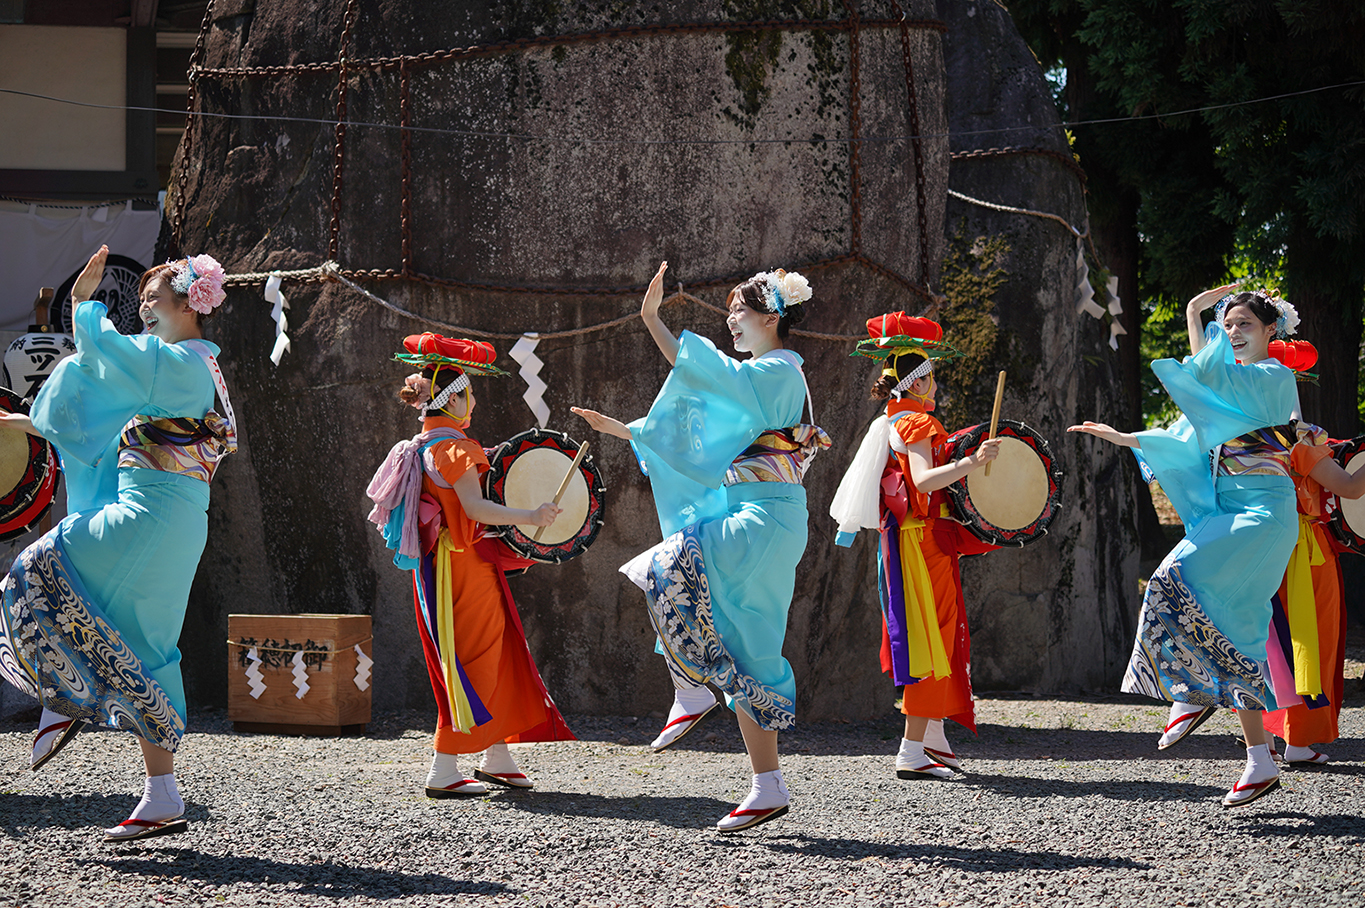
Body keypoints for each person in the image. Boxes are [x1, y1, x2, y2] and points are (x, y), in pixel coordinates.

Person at [572, 262, 829, 832]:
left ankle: (689, 687)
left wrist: (653, 320)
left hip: (764, 517)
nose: (731, 320)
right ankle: (767, 785)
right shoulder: (765, 375)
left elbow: (709, 381)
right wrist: (627, 431)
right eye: (731, 312)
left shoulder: (777, 371)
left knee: (665, 566)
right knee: (745, 652)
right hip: (763, 515)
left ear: (771, 318)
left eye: (740, 311)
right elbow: (697, 420)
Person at [0, 245, 236, 842]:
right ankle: (162, 794)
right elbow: (100, 425)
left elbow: (108, 357)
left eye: (153, 300)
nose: (144, 310)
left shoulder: (175, 363)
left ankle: (62, 690)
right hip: (176, 521)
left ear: (190, 305)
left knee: (36, 567)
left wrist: (83, 305)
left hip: (147, 515)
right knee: (148, 648)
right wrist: (25, 424)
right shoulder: (190, 369)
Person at [1069, 286, 1304, 807]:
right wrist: (1126, 438)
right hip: (1233, 512)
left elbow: (1206, 376)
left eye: (1245, 325)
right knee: (1238, 631)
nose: (1234, 333)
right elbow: (1186, 431)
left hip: (1263, 513)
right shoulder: (1231, 389)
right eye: (1230, 325)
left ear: (1271, 331)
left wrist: (1199, 315)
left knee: (1169, 579)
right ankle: (1260, 759)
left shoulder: (1273, 377)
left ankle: (1191, 691)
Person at [366, 333, 574, 798]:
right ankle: (443, 767)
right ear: (453, 399)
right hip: (463, 569)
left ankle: (497, 757)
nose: (475, 402)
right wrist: (531, 516)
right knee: (474, 659)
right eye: (471, 394)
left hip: (441, 567)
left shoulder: (422, 446)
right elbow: (476, 509)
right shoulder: (457, 449)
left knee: (488, 653)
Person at [828, 313, 1000, 780]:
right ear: (917, 382)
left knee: (932, 632)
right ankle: (910, 750)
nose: (936, 385)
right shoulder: (918, 422)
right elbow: (923, 480)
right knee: (931, 638)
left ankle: (933, 737)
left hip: (908, 539)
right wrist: (973, 461)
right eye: (931, 377)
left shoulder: (892, 420)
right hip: (922, 542)